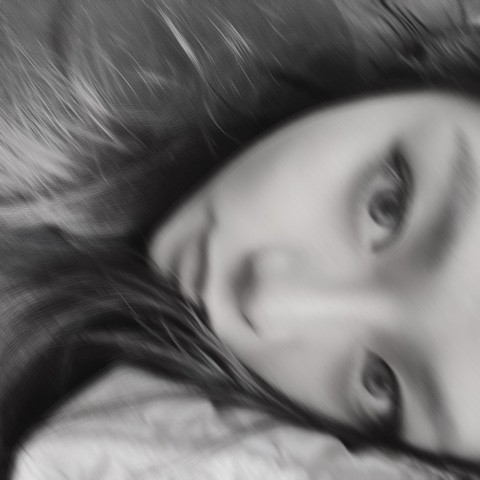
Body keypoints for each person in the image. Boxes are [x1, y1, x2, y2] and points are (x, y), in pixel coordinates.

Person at [1, 0, 480, 478]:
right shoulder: (117, 51)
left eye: (379, 386)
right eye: (386, 207)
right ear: (430, 71)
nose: (270, 301)